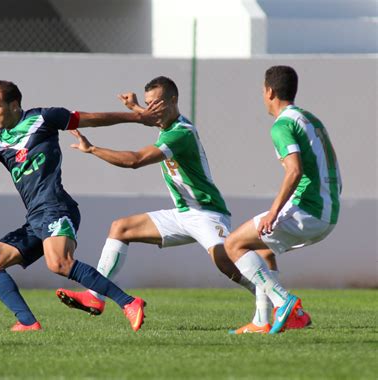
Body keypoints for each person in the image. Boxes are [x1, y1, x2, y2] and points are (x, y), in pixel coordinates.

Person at [0, 80, 164, 332]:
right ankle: (27, 322)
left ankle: (129, 302)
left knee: (59, 263)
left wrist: (136, 118)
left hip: (56, 207)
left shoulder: (44, 118)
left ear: (14, 105)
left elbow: (91, 118)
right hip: (35, 217)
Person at [55, 76, 260, 317]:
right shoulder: (168, 124)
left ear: (173, 101)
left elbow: (135, 161)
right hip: (183, 213)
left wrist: (92, 149)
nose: (151, 109)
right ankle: (94, 296)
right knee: (120, 228)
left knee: (226, 263)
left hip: (207, 212)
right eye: (148, 103)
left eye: (156, 103)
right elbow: (152, 118)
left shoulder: (181, 133)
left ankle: (276, 300)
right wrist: (134, 108)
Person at [224, 65, 342, 334]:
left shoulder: (282, 125)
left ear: (269, 91)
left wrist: (273, 213)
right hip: (328, 209)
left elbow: (295, 170)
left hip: (308, 209)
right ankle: (261, 321)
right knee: (263, 249)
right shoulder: (310, 119)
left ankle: (283, 302)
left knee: (233, 244)